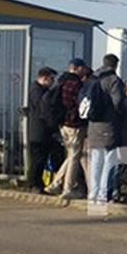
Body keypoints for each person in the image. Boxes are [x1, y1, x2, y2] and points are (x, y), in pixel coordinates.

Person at [84, 54, 125, 206]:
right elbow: (118, 102)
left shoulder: (93, 79)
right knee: (109, 160)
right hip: (109, 125)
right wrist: (120, 114)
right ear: (115, 65)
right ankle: (103, 194)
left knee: (95, 160)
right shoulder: (113, 80)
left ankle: (92, 193)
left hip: (93, 125)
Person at [45, 58, 88, 200]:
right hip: (74, 123)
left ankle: (56, 184)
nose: (84, 71)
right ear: (77, 68)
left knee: (71, 155)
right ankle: (68, 189)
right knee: (75, 157)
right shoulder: (76, 83)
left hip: (62, 123)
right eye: (82, 68)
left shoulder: (61, 81)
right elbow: (79, 103)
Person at [25, 66, 59, 194]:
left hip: (40, 131)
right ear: (44, 78)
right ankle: (34, 184)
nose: (52, 81)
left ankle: (37, 183)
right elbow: (44, 110)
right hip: (39, 131)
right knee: (38, 160)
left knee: (41, 158)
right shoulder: (38, 92)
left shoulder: (39, 90)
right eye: (51, 78)